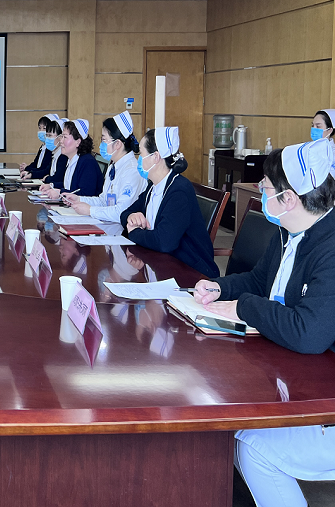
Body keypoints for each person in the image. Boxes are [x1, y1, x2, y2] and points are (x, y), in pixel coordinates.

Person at [193, 139, 335, 507]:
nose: (260, 193)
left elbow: (308, 334)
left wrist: (244, 307)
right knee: (225, 423)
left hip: (326, 403)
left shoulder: (331, 247)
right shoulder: (289, 230)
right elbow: (259, 282)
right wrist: (220, 287)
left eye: (266, 188)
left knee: (252, 444)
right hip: (300, 379)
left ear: (289, 199)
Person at [120, 126, 218, 278]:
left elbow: (164, 242)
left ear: (155, 157)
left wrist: (134, 232)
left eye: (141, 154)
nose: (139, 159)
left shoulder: (179, 190)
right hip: (160, 263)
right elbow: (124, 214)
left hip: (191, 272)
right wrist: (131, 217)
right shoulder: (153, 186)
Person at [63, 111, 146, 223]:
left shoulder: (132, 171)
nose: (101, 144)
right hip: (108, 223)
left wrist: (90, 210)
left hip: (121, 229)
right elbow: (103, 201)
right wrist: (79, 199)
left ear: (117, 144)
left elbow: (122, 212)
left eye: (104, 140)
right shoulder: (113, 166)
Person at [41, 119, 103, 198]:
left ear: (78, 142)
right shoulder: (72, 159)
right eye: (62, 136)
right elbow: (69, 185)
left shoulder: (87, 162)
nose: (61, 141)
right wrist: (52, 185)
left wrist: (60, 192)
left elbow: (86, 194)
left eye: (65, 137)